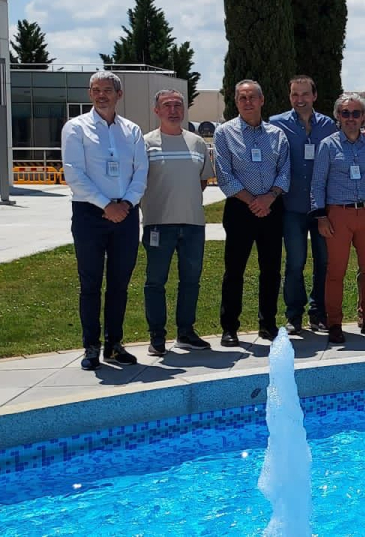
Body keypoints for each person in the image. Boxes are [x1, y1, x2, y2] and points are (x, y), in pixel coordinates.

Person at [61, 70, 148, 370]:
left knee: (119, 284)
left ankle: (114, 345)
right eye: (95, 89)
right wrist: (104, 205)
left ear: (118, 95)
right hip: (89, 214)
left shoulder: (132, 131)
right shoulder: (76, 128)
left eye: (107, 90)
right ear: (90, 94)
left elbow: (141, 173)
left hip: (125, 214)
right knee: (90, 284)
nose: (101, 95)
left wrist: (125, 204)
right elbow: (73, 173)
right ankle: (91, 347)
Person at [214, 80, 291, 348]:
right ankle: (230, 328)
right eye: (242, 98)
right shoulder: (224, 133)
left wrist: (268, 198)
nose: (247, 102)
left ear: (262, 101)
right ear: (236, 102)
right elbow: (224, 175)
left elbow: (284, 171)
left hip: (272, 207)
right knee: (234, 270)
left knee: (270, 270)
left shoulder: (276, 135)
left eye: (252, 97)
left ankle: (267, 323)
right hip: (239, 209)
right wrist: (252, 201)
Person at [310, 93, 365, 344]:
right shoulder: (328, 145)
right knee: (336, 271)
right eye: (346, 113)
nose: (351, 118)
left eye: (356, 113)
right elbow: (317, 183)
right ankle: (334, 323)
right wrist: (321, 216)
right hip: (337, 214)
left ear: (364, 118)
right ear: (338, 116)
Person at [141, 88, 214, 355]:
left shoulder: (197, 143)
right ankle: (156, 336)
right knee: (155, 282)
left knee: (191, 281)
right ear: (157, 110)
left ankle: (185, 332)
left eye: (178, 105)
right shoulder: (146, 143)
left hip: (193, 224)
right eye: (167, 105)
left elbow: (203, 180)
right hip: (158, 224)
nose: (173, 110)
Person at [270, 75, 337, 334]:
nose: (300, 99)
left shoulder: (328, 125)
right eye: (295, 95)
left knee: (324, 261)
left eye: (304, 94)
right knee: (295, 262)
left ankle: (318, 312)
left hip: (322, 208)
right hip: (292, 207)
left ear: (314, 96)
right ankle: (294, 315)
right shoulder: (276, 125)